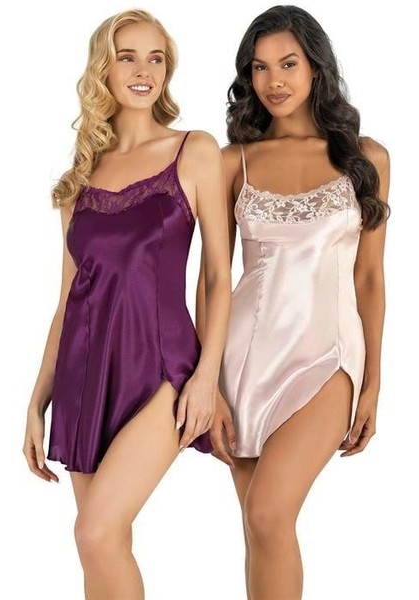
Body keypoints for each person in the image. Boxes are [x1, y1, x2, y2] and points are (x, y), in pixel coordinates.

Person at [22, 9, 230, 599]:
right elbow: (67, 301)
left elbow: (219, 275)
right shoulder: (79, 180)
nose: (144, 70)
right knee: (100, 545)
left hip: (164, 367)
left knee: (95, 532)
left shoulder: (194, 150)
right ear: (102, 69)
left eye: (155, 58)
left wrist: (207, 377)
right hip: (86, 374)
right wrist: (36, 401)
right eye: (127, 56)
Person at [198, 5, 390, 599]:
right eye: (259, 68)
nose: (273, 81)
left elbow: (369, 278)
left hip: (328, 357)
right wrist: (207, 384)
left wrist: (373, 383)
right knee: (259, 529)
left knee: (268, 514)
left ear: (316, 68)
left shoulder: (367, 158)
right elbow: (212, 278)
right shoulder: (231, 162)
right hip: (241, 363)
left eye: (288, 64)